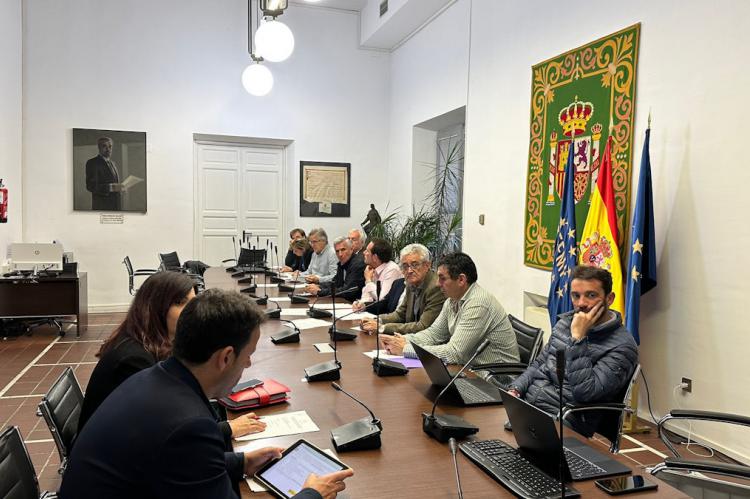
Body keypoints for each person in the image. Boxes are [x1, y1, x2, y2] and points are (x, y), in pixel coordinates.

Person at [60, 289, 353, 499]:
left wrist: (241, 462)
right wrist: (313, 493)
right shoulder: (188, 425)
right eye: (248, 355)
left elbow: (174, 462)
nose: (249, 364)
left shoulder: (155, 378)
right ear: (225, 357)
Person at [77, 271, 263, 439]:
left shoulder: (151, 343)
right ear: (154, 307)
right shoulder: (134, 359)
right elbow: (162, 430)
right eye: (181, 303)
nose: (193, 310)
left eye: (193, 301)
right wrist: (227, 428)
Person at [508, 265, 638, 437]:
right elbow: (539, 363)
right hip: (530, 409)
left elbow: (586, 393)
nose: (581, 303)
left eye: (591, 295)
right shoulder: (564, 323)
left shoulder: (623, 347)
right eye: (576, 296)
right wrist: (516, 389)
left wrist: (578, 338)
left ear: (609, 298)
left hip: (565, 423)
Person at [380, 252, 519, 366]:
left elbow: (454, 353)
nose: (437, 283)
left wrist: (405, 349)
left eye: (442, 278)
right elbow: (434, 334)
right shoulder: (452, 300)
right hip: (469, 370)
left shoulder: (478, 304)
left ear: (461, 280)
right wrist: (403, 340)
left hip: (495, 379)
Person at [360, 243, 443, 334]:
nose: (409, 271)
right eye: (405, 266)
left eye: (415, 265)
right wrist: (376, 320)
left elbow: (423, 326)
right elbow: (400, 314)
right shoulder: (411, 283)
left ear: (427, 265)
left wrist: (382, 328)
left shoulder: (436, 287)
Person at [306, 236, 365, 303]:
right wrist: (319, 286)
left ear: (351, 249)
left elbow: (348, 291)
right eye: (337, 251)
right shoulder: (342, 263)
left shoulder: (357, 264)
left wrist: (320, 291)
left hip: (355, 305)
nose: (340, 254)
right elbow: (335, 283)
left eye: (343, 250)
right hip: (344, 302)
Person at [352, 238, 402, 311]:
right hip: (374, 312)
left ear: (375, 257)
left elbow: (382, 299)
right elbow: (368, 296)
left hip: (387, 314)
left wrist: (368, 281)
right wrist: (359, 303)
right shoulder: (372, 269)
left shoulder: (392, 269)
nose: (364, 253)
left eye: (367, 251)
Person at [85, 136, 122, 210]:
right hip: (102, 206)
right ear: (99, 147)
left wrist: (121, 188)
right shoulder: (92, 163)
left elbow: (114, 183)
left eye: (110, 146)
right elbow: (91, 186)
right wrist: (111, 187)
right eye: (104, 146)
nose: (108, 149)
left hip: (116, 205)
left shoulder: (113, 163)